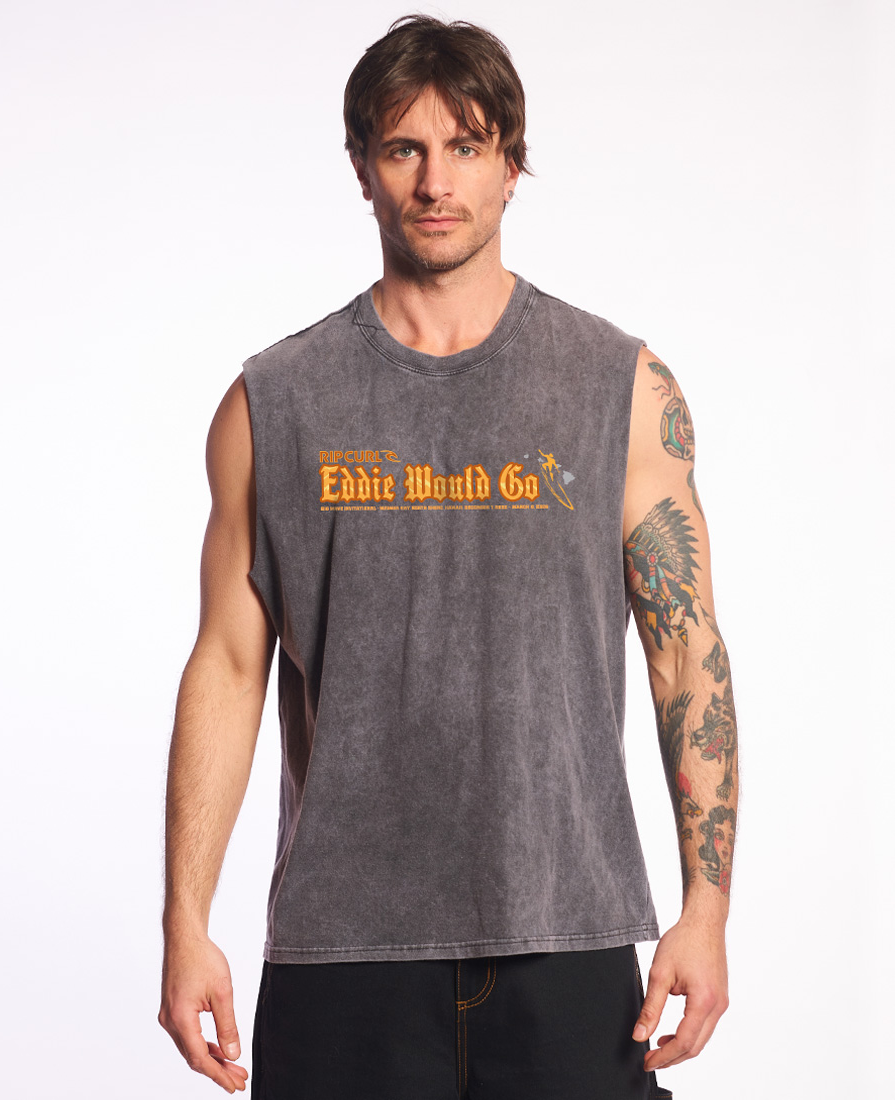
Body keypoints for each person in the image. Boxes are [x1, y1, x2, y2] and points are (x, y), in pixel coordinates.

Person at [158, 15, 738, 1100]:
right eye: (404, 149)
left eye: (467, 147)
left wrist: (706, 909)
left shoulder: (619, 387)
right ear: (362, 170)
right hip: (342, 954)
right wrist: (184, 922)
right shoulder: (273, 404)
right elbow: (229, 667)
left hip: (566, 937)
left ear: (512, 166)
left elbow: (684, 652)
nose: (436, 181)